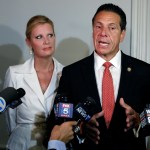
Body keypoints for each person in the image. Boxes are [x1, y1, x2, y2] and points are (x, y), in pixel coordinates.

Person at [47, 3, 150, 150]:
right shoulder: (72, 73)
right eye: (98, 26)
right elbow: (56, 123)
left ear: (122, 34)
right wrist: (81, 128)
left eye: (112, 28)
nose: (103, 33)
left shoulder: (144, 72)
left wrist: (141, 121)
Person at [3, 15, 64, 150]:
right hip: (22, 143)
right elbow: (9, 117)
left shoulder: (67, 73)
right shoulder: (15, 73)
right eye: (39, 37)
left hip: (55, 142)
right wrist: (19, 136)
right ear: (29, 42)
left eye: (50, 35)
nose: (46, 41)